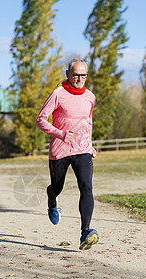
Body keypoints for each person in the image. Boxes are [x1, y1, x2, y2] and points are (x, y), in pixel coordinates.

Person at [36, 58, 99, 250]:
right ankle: (51, 197)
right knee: (57, 187)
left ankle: (85, 232)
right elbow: (40, 120)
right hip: (60, 151)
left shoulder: (90, 97)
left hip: (83, 150)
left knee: (86, 187)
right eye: (76, 74)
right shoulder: (58, 94)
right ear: (67, 74)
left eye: (83, 75)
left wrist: (90, 145)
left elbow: (87, 122)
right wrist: (60, 133)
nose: (80, 78)